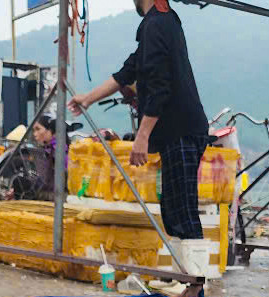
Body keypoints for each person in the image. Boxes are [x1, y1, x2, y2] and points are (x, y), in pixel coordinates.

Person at [68, 0, 210, 282]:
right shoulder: (160, 21)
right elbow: (128, 71)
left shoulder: (157, 24)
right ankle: (186, 280)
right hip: (177, 131)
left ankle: (195, 284)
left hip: (180, 129)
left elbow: (160, 86)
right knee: (173, 209)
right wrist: (88, 98)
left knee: (183, 209)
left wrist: (141, 137)